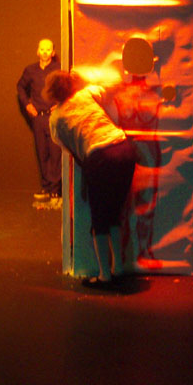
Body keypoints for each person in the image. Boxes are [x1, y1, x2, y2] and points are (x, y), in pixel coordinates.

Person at [44, 70, 138, 288]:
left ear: (50, 93)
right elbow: (114, 80)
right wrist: (83, 76)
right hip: (124, 149)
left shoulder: (56, 119)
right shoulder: (86, 94)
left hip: (101, 158)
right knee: (114, 214)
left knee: (99, 219)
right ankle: (119, 268)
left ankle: (104, 275)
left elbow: (70, 149)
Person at [16, 38, 61, 201]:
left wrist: (60, 103)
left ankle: (55, 190)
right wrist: (27, 104)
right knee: (42, 153)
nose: (45, 52)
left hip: (54, 117)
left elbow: (68, 87)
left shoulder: (59, 68)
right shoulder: (30, 70)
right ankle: (46, 188)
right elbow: (20, 87)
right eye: (42, 49)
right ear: (37, 51)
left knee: (55, 153)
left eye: (48, 49)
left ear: (53, 52)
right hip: (38, 118)